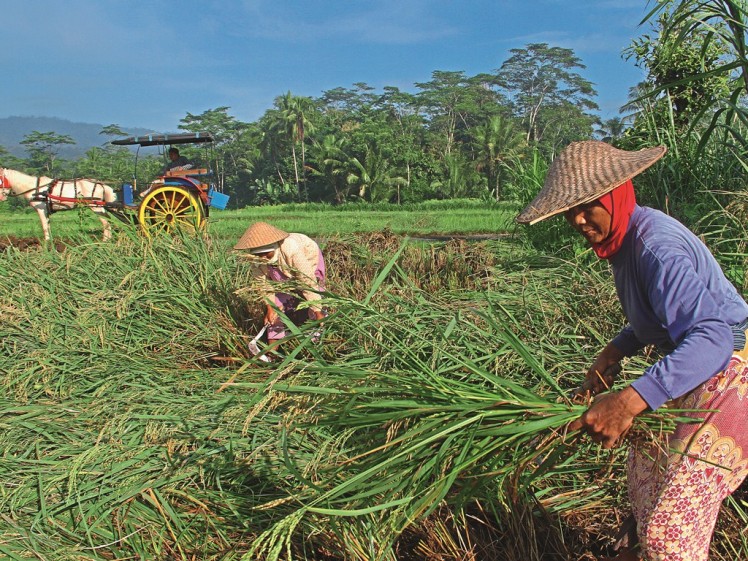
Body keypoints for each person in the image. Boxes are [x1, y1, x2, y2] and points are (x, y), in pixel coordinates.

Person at [516, 140, 748, 561]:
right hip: (696, 365)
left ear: (616, 194)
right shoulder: (626, 243)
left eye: (588, 206)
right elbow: (661, 314)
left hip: (732, 371)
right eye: (571, 210)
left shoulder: (656, 247)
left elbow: (712, 337)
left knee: (669, 532)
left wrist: (627, 401)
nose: (579, 219)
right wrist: (614, 351)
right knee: (643, 482)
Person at [234, 221, 326, 344]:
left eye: (266, 254)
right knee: (276, 309)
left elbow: (307, 281)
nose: (262, 258)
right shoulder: (256, 258)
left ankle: (316, 334)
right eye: (258, 255)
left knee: (312, 296)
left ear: (274, 247)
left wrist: (317, 309)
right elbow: (263, 285)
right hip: (280, 265)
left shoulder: (291, 250)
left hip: (307, 257)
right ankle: (272, 353)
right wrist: (270, 308)